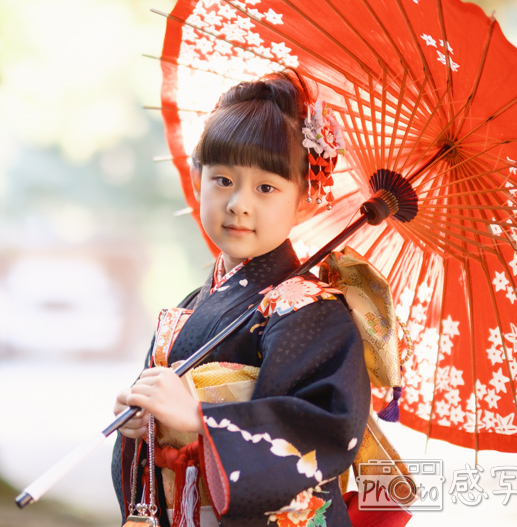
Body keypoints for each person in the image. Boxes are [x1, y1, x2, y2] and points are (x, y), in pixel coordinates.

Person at [111, 69, 371, 527]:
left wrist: (201, 418)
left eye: (266, 187)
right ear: (198, 177)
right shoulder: (190, 304)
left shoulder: (313, 311)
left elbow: (324, 427)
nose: (238, 204)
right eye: (223, 180)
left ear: (305, 198)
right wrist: (142, 421)